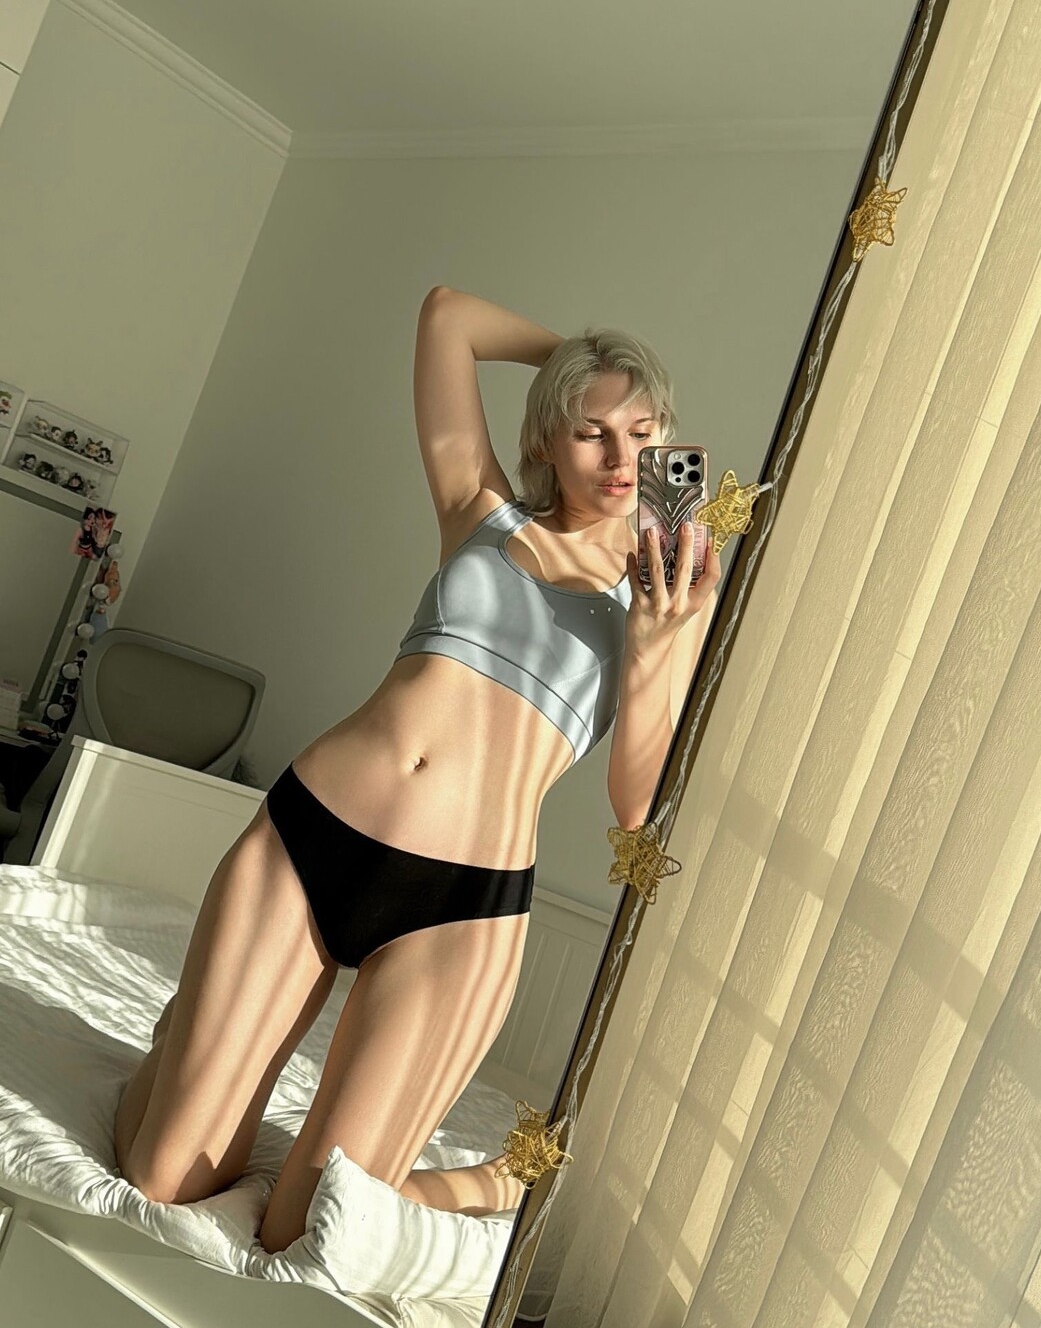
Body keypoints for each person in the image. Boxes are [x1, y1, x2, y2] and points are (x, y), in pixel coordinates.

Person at [113, 287, 722, 1254]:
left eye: (642, 434)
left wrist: (650, 644)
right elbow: (447, 317)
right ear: (547, 440)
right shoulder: (480, 509)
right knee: (162, 1180)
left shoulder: (669, 598)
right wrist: (580, 363)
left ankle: (483, 1180)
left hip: (461, 905)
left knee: (309, 1228)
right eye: (590, 432)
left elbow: (635, 806)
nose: (619, 457)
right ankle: (181, 1040)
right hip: (310, 837)